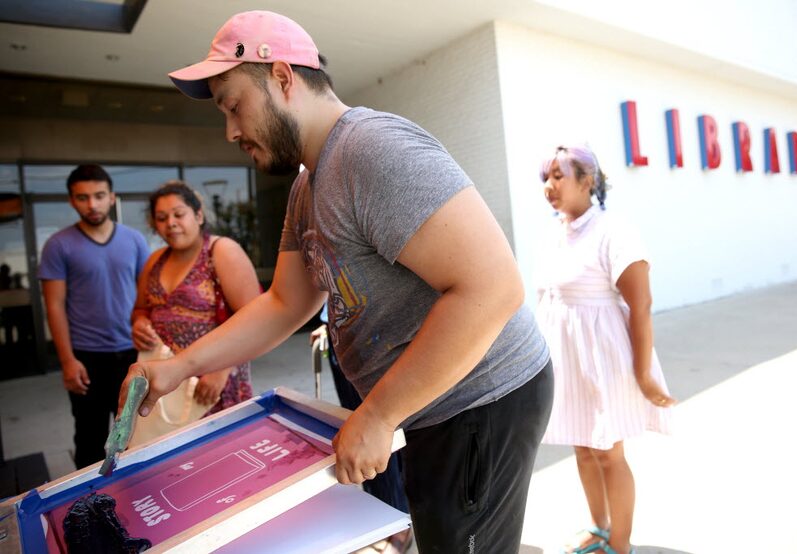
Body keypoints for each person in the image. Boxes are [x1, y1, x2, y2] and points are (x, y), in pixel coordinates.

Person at [121, 10, 552, 553]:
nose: (231, 131)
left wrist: (378, 414)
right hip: (431, 404)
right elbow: (283, 303)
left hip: (480, 399)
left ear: (281, 77)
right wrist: (178, 367)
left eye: (233, 106)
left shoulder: (373, 150)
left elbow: (493, 288)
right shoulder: (308, 187)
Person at [534, 145, 675, 554]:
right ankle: (598, 528)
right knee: (582, 446)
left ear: (587, 180)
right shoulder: (556, 235)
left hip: (603, 358)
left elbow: (641, 303)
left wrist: (644, 373)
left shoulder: (614, 231)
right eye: (546, 177)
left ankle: (620, 544)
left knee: (609, 452)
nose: (549, 186)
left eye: (559, 176)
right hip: (568, 360)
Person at [39, 164, 150, 469]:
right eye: (83, 197)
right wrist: (66, 361)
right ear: (72, 201)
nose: (92, 204)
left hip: (132, 354)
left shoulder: (135, 240)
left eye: (99, 196)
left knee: (135, 435)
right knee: (89, 441)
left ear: (112, 197)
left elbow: (147, 298)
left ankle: (136, 500)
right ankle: (88, 505)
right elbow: (54, 306)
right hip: (85, 359)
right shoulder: (58, 245)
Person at [131, 181, 260, 413]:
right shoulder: (155, 260)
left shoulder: (221, 251)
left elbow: (257, 321)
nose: (170, 223)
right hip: (168, 385)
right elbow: (140, 309)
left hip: (213, 382)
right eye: (161, 218)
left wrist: (221, 371)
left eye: (179, 214)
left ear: (199, 216)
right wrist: (139, 323)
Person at [311, 309, 411, 553]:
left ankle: (396, 522)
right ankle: (382, 518)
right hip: (341, 331)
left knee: (380, 441)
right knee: (357, 430)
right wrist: (327, 321)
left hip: (375, 337)